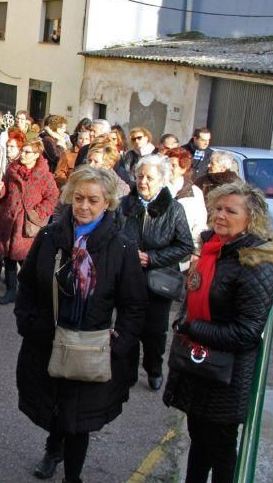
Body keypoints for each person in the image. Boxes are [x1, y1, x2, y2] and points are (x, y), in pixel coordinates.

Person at [15, 166, 147, 483]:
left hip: (92, 347)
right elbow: (29, 285)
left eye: (93, 200)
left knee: (78, 419)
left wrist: (119, 344)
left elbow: (134, 304)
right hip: (47, 340)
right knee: (54, 408)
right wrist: (29, 323)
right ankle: (53, 448)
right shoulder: (51, 237)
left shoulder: (121, 247)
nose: (84, 206)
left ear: (108, 204)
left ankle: (72, 475)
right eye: (78, 198)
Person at [164, 182, 273, 483]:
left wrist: (192, 328)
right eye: (218, 208)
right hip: (199, 365)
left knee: (220, 448)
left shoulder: (256, 261)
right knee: (198, 440)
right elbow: (192, 296)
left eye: (231, 210)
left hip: (226, 377)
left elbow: (248, 331)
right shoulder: (212, 250)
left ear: (251, 218)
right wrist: (187, 323)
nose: (220, 215)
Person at [117, 155, 193, 391]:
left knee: (154, 332)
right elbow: (112, 236)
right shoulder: (123, 205)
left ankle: (154, 368)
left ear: (161, 179)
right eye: (140, 176)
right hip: (127, 278)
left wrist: (152, 258)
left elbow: (185, 246)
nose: (143, 181)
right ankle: (125, 372)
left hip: (158, 281)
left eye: (149, 177)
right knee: (126, 326)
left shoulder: (173, 209)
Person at [0, 133, 59, 305]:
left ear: (37, 154)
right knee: (8, 258)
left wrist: (37, 213)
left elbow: (52, 197)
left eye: (28, 152)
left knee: (26, 260)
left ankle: (30, 290)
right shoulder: (12, 169)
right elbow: (4, 192)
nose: (23, 154)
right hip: (9, 220)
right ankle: (11, 290)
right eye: (23, 151)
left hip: (27, 224)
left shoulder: (44, 175)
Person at [0, 129, 28, 290]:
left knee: (14, 250)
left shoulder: (22, 164)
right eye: (8, 146)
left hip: (13, 212)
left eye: (12, 147)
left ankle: (20, 282)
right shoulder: (0, 159)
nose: (9, 149)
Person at [164, 147, 208, 264]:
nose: (169, 168)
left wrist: (196, 250)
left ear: (183, 169)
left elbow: (199, 224)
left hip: (183, 255)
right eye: (167, 164)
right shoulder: (157, 188)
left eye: (173, 165)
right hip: (159, 251)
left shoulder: (194, 192)